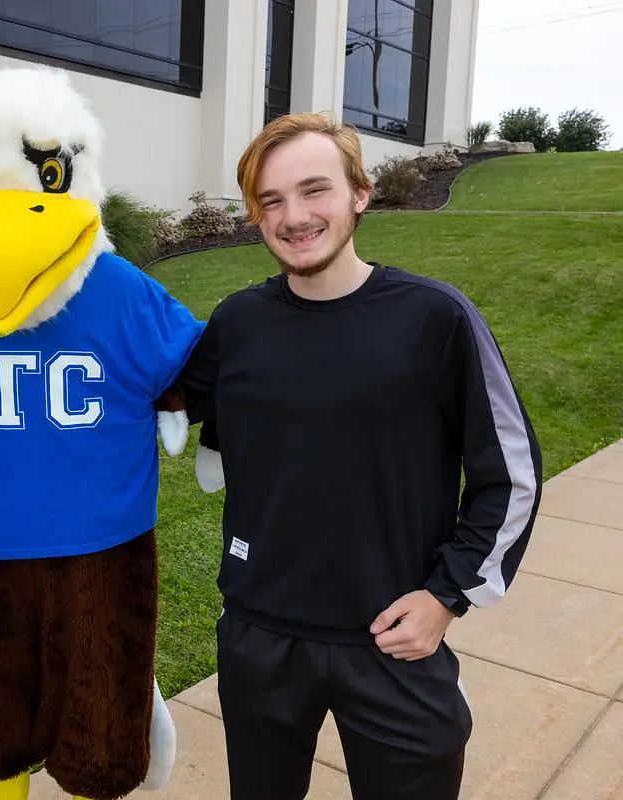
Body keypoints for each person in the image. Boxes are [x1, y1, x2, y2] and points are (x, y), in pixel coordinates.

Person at [177, 112, 543, 800]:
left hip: (392, 638)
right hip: (260, 634)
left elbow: (511, 477)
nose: (294, 217)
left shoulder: (435, 318)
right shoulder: (237, 323)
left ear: (359, 193)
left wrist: (447, 595)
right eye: (271, 201)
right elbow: (156, 405)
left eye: (314, 190)